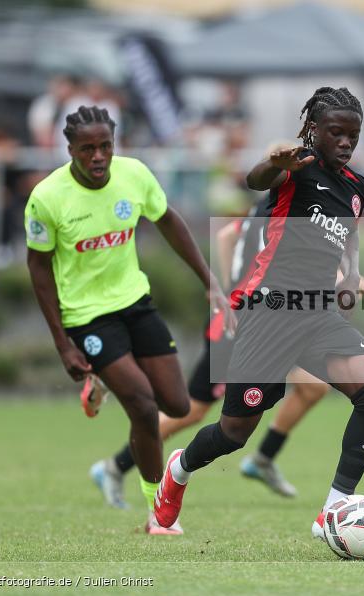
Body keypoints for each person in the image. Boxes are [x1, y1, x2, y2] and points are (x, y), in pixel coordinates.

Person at [153, 87, 364, 542]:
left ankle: (333, 509)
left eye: (353, 135)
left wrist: (351, 275)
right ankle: (179, 470)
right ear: (313, 131)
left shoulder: (358, 187)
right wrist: (275, 163)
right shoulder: (295, 171)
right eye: (336, 133)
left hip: (319, 314)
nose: (345, 142)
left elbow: (349, 235)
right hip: (270, 311)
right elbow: (256, 181)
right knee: (233, 432)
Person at [25, 105, 227, 534]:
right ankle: (157, 513)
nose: (98, 157)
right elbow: (39, 270)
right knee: (143, 406)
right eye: (87, 150)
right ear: (70, 150)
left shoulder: (134, 175)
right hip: (86, 318)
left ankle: (102, 380)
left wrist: (209, 280)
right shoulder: (47, 198)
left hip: (135, 303)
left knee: (178, 404)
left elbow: (169, 220)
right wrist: (63, 342)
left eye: (105, 147)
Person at [89, 198, 332, 509]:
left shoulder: (269, 206)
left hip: (261, 320)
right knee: (193, 410)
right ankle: (114, 467)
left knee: (313, 386)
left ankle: (263, 458)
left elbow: (226, 235)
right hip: (240, 324)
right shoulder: (286, 211)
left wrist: (232, 284)